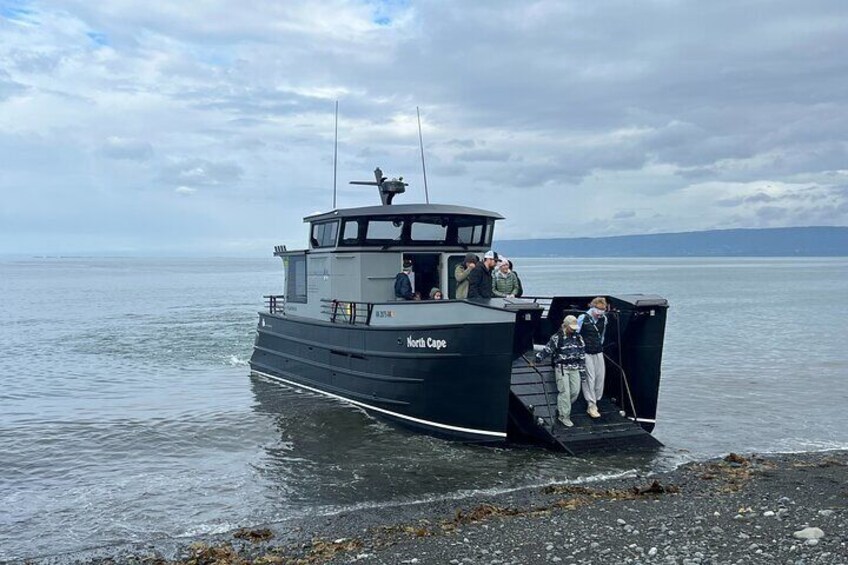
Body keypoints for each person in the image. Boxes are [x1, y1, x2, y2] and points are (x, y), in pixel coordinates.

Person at [533, 315, 586, 427]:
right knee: (564, 392)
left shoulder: (579, 338)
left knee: (575, 392)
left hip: (575, 368)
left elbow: (582, 355)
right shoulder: (557, 338)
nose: (574, 329)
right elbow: (548, 349)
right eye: (572, 327)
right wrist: (538, 358)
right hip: (562, 368)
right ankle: (564, 416)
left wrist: (583, 372)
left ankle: (561, 406)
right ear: (566, 326)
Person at [577, 297, 608, 418]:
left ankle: (597, 398)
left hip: (598, 350)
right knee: (590, 377)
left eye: (603, 309)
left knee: (600, 377)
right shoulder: (583, 318)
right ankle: (591, 404)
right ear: (593, 307)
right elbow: (576, 334)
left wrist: (600, 344)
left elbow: (603, 335)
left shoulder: (604, 319)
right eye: (599, 309)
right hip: (586, 351)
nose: (601, 312)